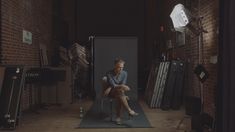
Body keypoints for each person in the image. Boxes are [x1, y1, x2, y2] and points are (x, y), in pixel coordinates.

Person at [103, 58, 138, 125]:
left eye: (122, 67)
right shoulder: (109, 73)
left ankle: (119, 117)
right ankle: (128, 111)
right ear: (115, 66)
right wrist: (119, 86)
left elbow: (123, 84)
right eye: (119, 67)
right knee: (120, 93)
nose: (121, 69)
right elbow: (113, 84)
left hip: (118, 92)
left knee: (119, 93)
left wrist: (120, 86)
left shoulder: (125, 73)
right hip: (110, 92)